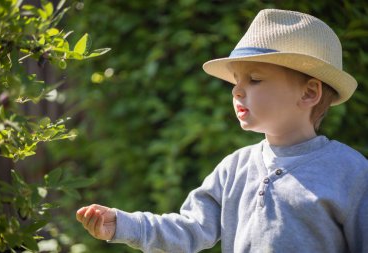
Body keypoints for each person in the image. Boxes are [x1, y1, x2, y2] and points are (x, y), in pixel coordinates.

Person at [76, 9, 368, 252]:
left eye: (254, 79)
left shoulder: (350, 172)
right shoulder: (234, 168)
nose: (238, 91)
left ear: (309, 93)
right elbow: (191, 228)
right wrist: (123, 224)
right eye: (235, 82)